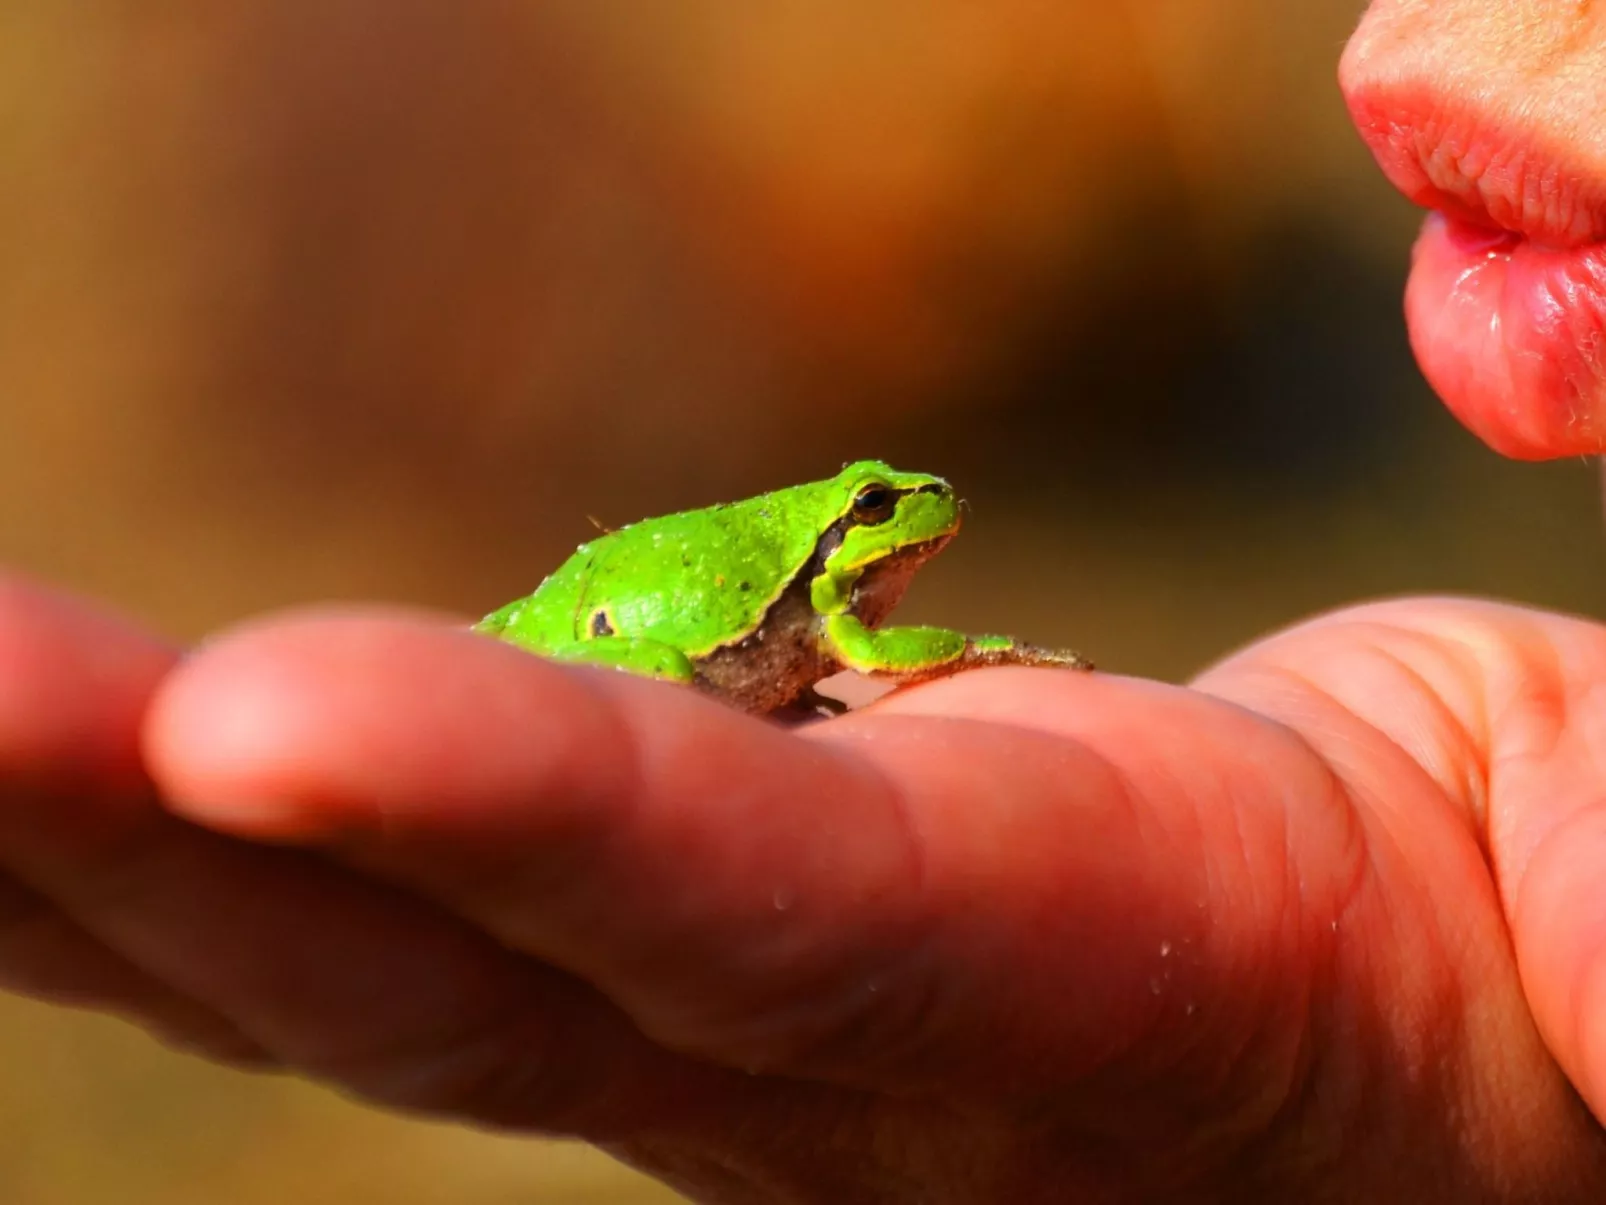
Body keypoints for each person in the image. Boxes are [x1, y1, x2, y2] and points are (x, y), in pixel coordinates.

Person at [6, 1, 1606, 1199]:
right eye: (878, 504)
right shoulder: (833, 597)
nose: (1392, 21)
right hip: (635, 651)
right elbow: (853, 648)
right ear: (847, 525)